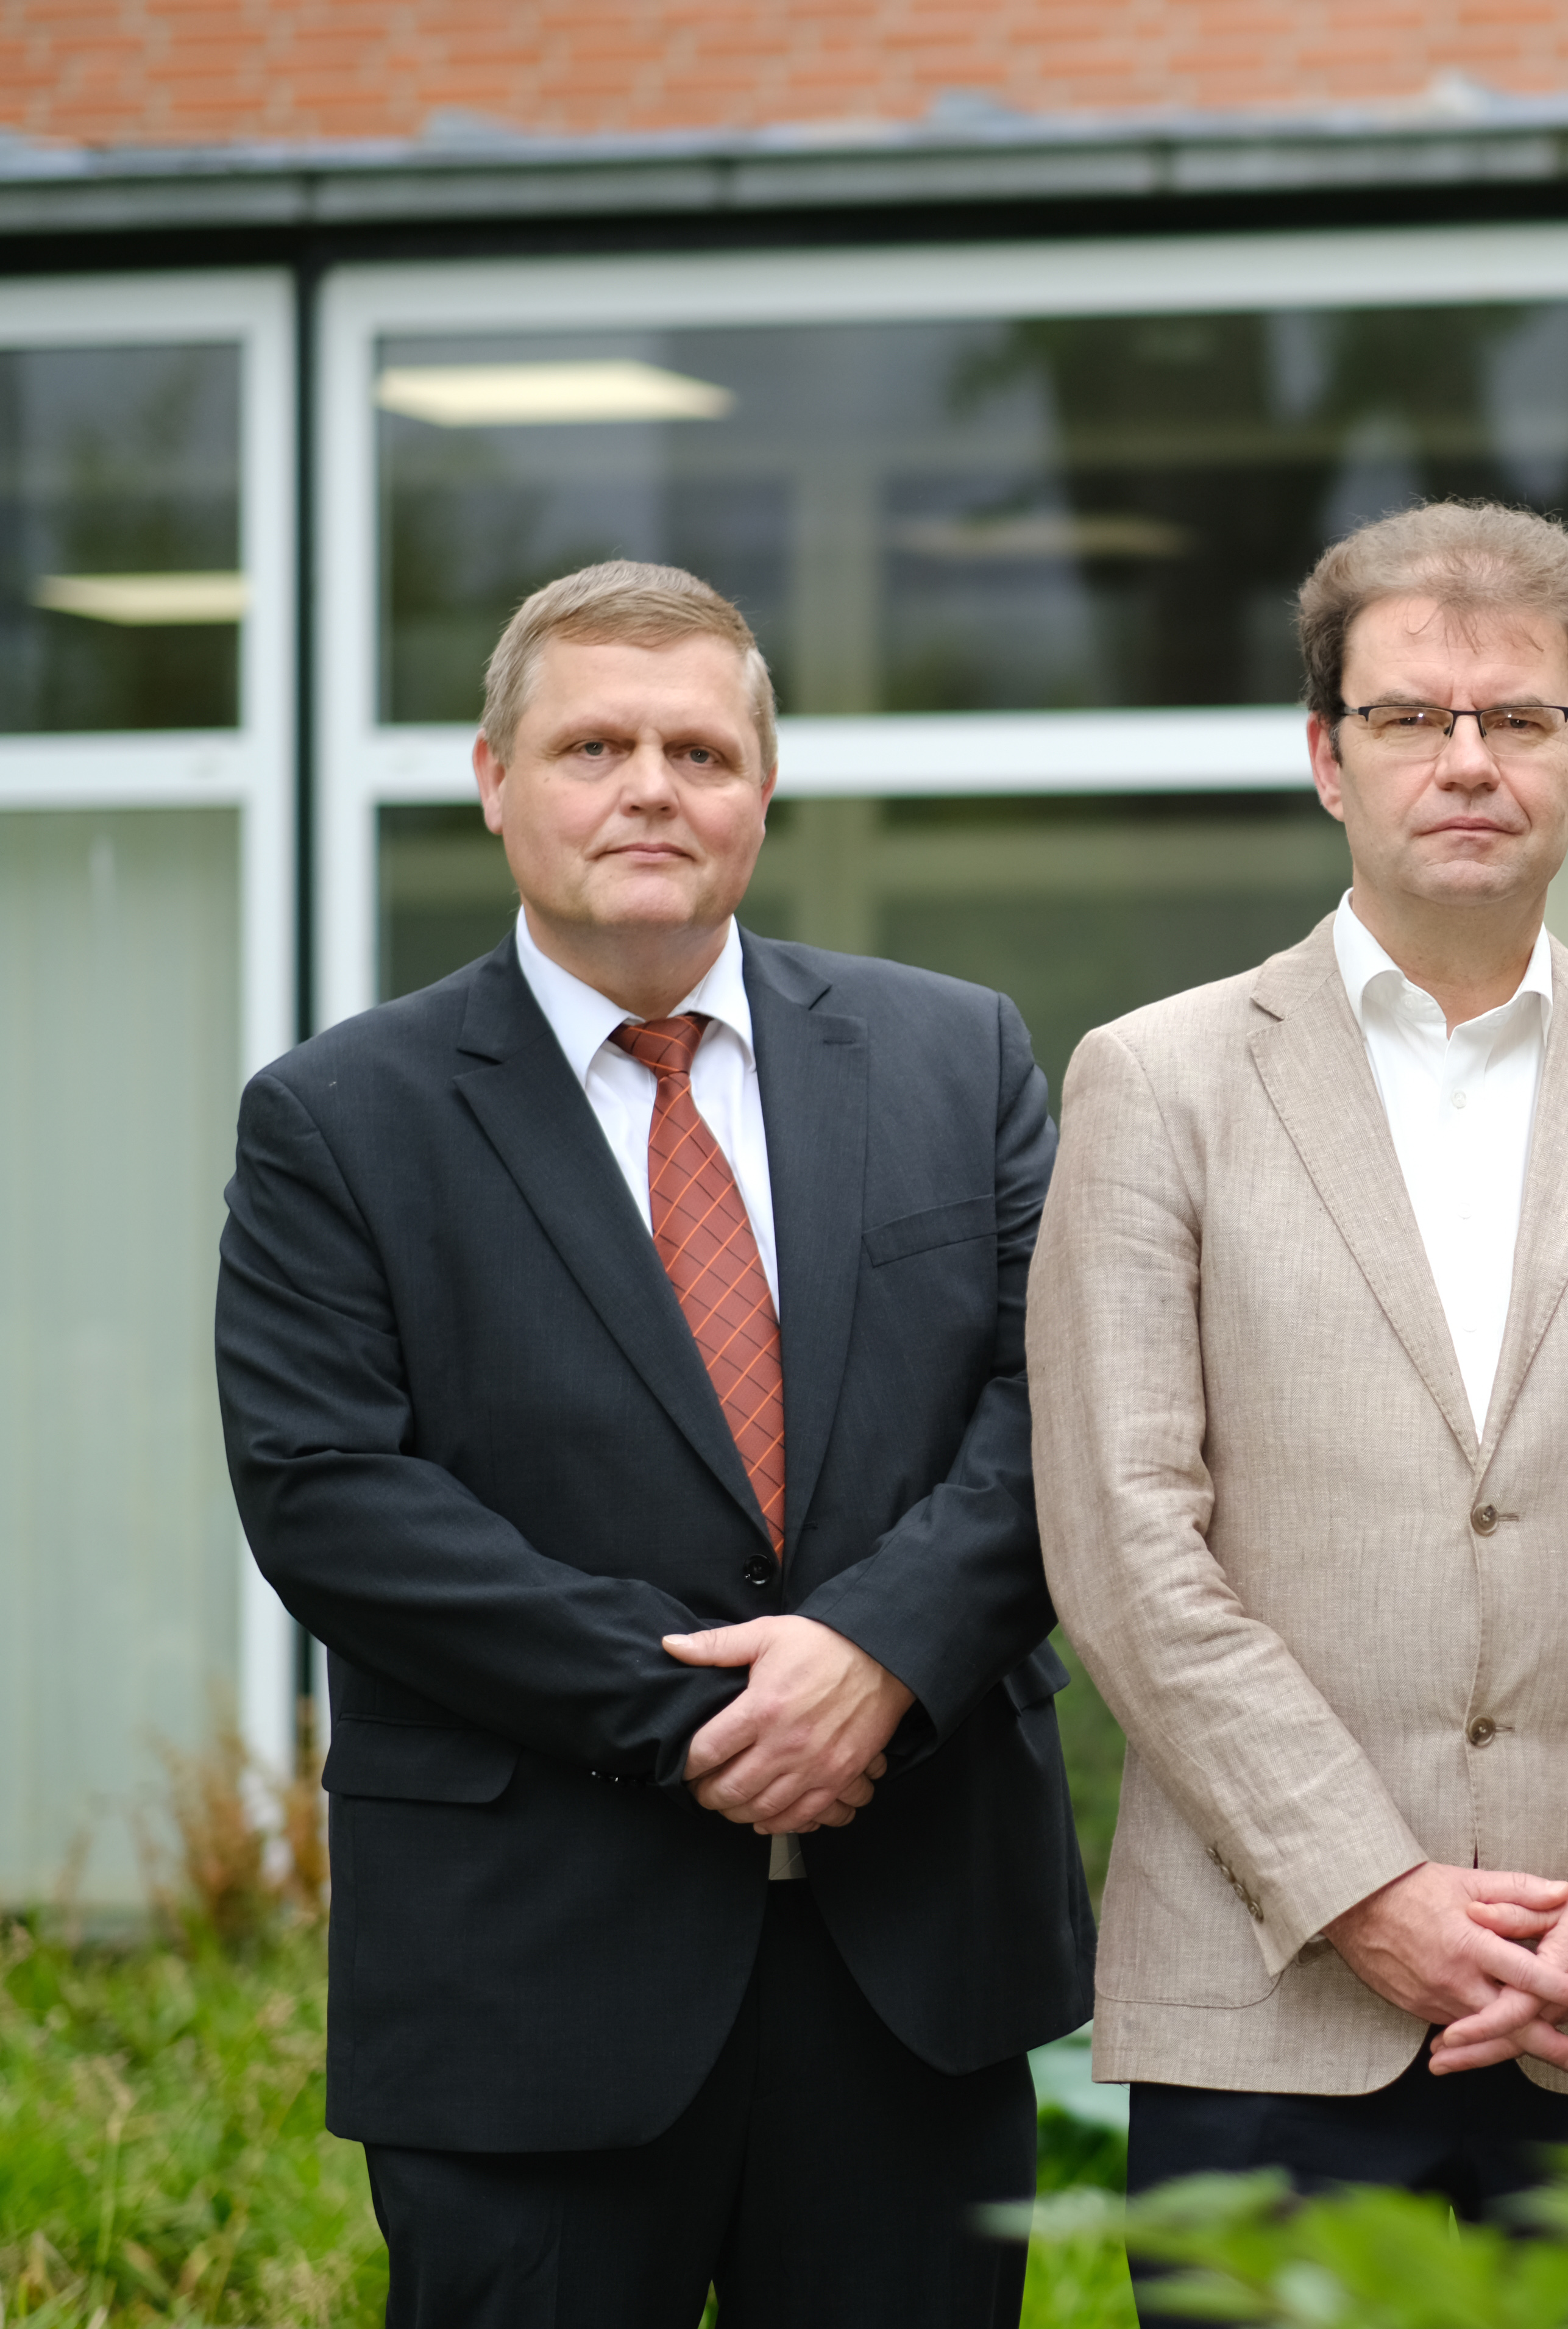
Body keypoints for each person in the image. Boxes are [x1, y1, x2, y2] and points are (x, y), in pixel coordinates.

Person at [215, 561, 1093, 2322]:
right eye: (592, 747)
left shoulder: (959, 1056)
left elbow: (1061, 1410)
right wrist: (716, 1715)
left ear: (762, 788)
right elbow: (333, 1499)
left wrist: (876, 1659)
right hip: (528, 1978)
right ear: (494, 780)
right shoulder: (341, 1115)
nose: (649, 791)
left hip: (915, 1961)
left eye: (699, 751)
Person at [1029, 500, 1568, 2227]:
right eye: (1407, 717)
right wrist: (1364, 1889)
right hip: (1273, 2007)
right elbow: (1123, 1544)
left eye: (1517, 717)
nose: (1465, 761)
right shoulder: (1154, 1085)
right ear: (1328, 758)